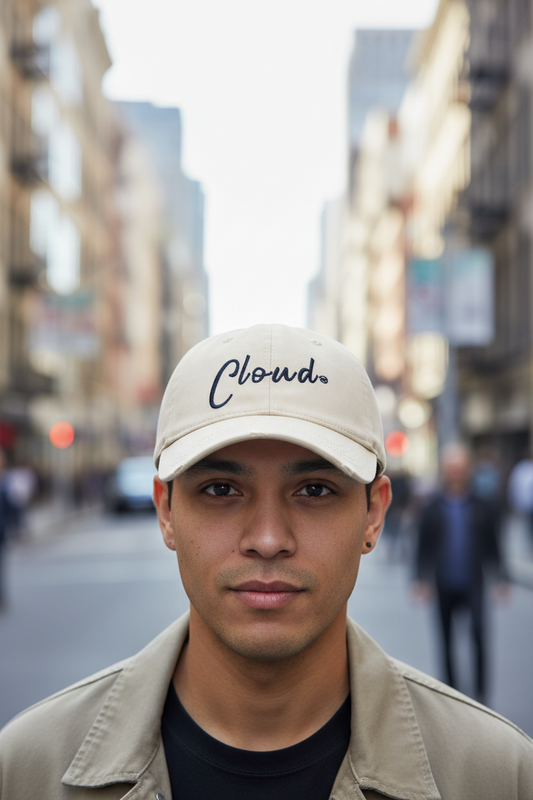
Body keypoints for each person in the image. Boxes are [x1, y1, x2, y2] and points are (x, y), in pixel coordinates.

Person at [0, 325, 532, 800]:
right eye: (222, 488)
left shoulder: (497, 776)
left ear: (373, 514)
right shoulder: (28, 770)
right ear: (167, 511)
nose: (269, 539)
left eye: (315, 489)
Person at [413, 442, 508, 704]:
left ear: (468, 470)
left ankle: (480, 695)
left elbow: (494, 543)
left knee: (479, 635)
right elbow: (422, 545)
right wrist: (419, 579)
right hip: (443, 582)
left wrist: (501, 578)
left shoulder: (482, 505)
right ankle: (451, 693)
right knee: (445, 640)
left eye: (460, 468)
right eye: (451, 468)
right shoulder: (432, 506)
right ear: (444, 471)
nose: (455, 473)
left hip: (473, 582)